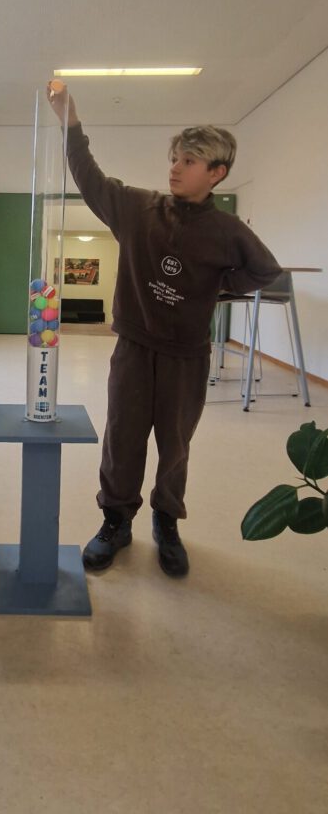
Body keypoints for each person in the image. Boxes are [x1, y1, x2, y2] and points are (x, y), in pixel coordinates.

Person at [47, 81, 281, 577]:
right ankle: (115, 522)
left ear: (216, 173)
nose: (175, 167)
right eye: (174, 158)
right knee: (122, 438)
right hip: (134, 348)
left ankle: (166, 521)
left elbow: (266, 271)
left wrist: (218, 286)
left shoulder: (228, 232)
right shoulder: (137, 208)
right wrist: (71, 123)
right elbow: (89, 176)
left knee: (175, 446)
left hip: (186, 356)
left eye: (188, 161)